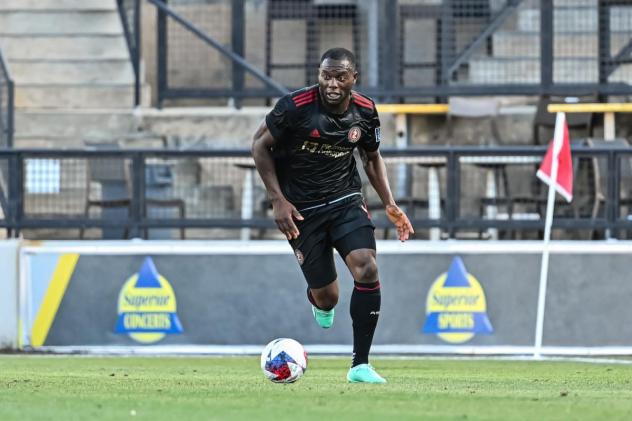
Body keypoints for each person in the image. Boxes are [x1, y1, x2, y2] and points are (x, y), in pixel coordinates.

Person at [251, 47, 413, 383]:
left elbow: (371, 158)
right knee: (329, 296)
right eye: (326, 75)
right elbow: (259, 145)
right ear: (319, 75)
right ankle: (319, 301)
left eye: (340, 76)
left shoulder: (366, 112)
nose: (332, 83)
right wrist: (277, 200)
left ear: (354, 77)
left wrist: (390, 203)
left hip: (345, 200)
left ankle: (360, 365)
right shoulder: (295, 108)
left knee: (366, 265)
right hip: (301, 210)